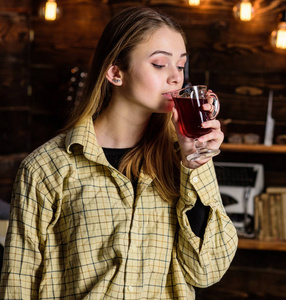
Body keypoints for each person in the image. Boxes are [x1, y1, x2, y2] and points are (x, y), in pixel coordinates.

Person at [0, 6, 238, 299]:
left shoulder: (185, 160)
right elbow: (18, 284)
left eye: (181, 65)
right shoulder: (46, 168)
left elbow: (207, 271)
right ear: (115, 73)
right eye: (160, 64)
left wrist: (196, 164)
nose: (176, 78)